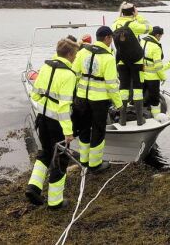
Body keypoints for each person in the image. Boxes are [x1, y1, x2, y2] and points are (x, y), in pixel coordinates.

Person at [25, 38, 78, 209]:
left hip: (42, 119)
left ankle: (33, 187)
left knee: (46, 153)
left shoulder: (46, 68)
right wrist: (68, 132)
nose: (75, 57)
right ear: (70, 54)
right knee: (61, 159)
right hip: (57, 123)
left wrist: (46, 107)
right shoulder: (69, 75)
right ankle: (55, 202)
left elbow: (35, 95)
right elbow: (63, 107)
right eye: (75, 54)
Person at [72, 26, 122, 173]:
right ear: (107, 38)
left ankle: (84, 160)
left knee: (84, 128)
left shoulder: (82, 52)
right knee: (98, 131)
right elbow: (112, 84)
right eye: (111, 38)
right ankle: (95, 164)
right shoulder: (108, 58)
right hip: (99, 101)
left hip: (81, 98)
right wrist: (119, 104)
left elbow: (74, 73)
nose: (111, 40)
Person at [111, 1, 153, 125]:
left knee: (123, 87)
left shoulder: (115, 24)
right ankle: (140, 119)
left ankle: (123, 119)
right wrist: (138, 16)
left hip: (122, 60)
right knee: (137, 88)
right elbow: (149, 28)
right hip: (136, 61)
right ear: (132, 12)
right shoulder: (134, 24)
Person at [142, 26, 165, 117]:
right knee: (155, 100)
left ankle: (139, 115)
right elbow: (158, 66)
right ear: (157, 35)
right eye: (160, 37)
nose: (160, 39)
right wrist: (163, 77)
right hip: (153, 78)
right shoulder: (156, 47)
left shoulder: (141, 41)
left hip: (141, 76)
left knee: (140, 96)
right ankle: (156, 117)